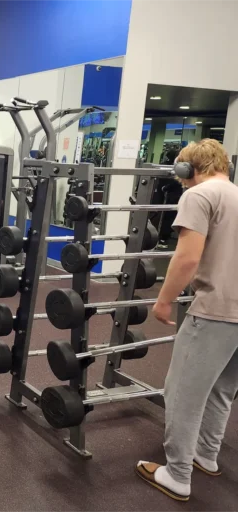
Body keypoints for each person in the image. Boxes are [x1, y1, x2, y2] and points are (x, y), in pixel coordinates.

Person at [136, 139, 238, 502]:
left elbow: (187, 259)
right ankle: (205, 456)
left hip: (216, 310)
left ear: (186, 169)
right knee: (222, 390)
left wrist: (163, 302)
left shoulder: (198, 195)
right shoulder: (235, 194)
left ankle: (177, 474)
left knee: (181, 393)